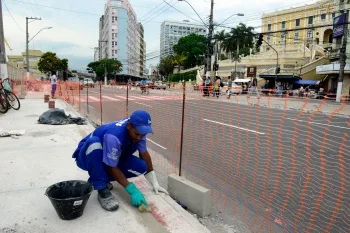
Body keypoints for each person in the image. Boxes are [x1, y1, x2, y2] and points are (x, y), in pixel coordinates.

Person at [72, 110, 168, 211]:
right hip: (86, 156)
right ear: (129, 126)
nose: (139, 138)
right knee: (94, 143)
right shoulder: (114, 136)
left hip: (108, 155)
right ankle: (101, 187)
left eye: (142, 135)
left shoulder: (138, 131)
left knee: (141, 166)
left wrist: (154, 182)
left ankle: (102, 177)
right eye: (137, 134)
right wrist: (132, 190)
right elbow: (111, 166)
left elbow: (144, 153)